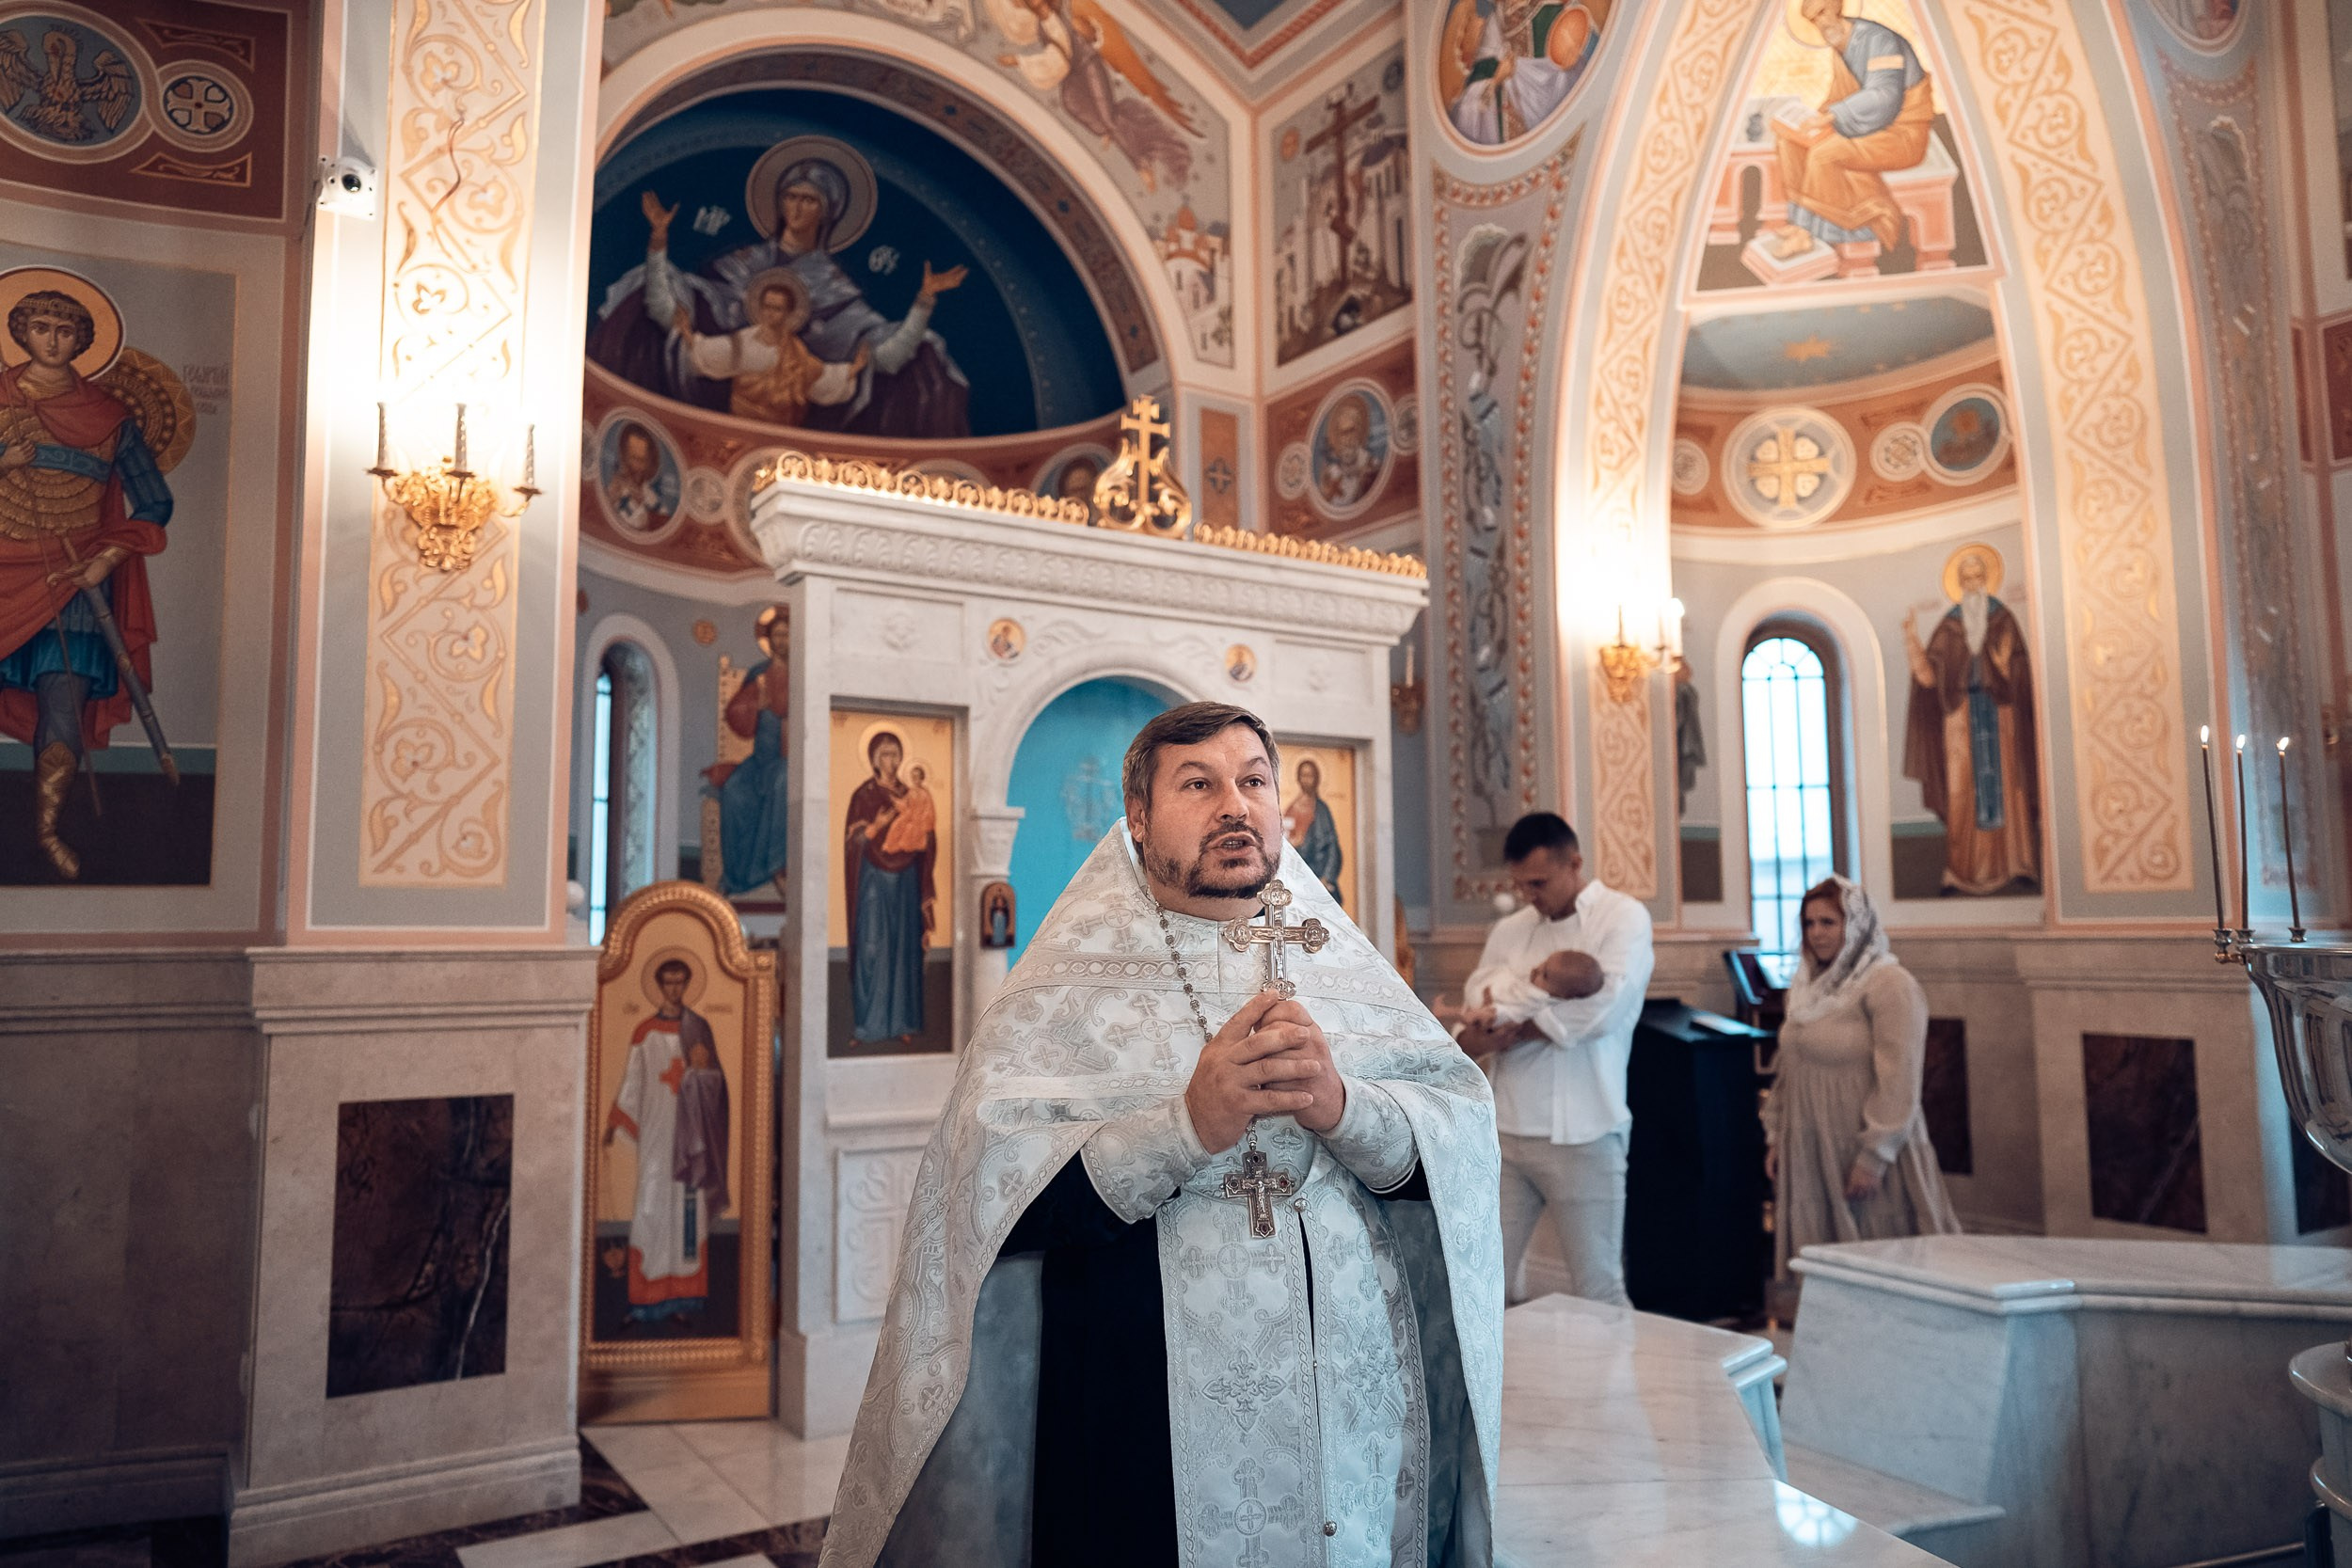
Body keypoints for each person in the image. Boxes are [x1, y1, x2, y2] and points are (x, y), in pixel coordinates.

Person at [821, 702, 1502, 1568]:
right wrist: (1183, 1128)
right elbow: (987, 1202)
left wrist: (1342, 1106)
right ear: (1138, 817)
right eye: (1198, 784)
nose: (1236, 804)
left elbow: (1458, 1145)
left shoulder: (1342, 964)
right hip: (1137, 1399)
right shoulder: (1064, 985)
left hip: (1349, 1393)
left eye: (1253, 781)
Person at [587, 148, 970, 438]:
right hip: (719, 426)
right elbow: (668, 314)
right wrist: (658, 243)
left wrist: (923, 303)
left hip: (792, 439)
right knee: (649, 280)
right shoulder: (738, 266)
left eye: (809, 200)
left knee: (929, 348)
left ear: (827, 211)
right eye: (791, 197)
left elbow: (883, 359)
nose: (797, 208)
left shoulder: (835, 290)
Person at [0, 288, 173, 880]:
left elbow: (154, 502)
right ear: (21, 333)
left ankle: (48, 830)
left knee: (62, 706)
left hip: (74, 578)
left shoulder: (111, 418)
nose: (52, 340)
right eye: (41, 327)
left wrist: (105, 562)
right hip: (2, 571)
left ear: (81, 340)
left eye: (65, 330)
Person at [1452, 811, 1653, 1307]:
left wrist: (1512, 1020)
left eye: (1538, 883)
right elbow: (1475, 1007)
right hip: (1506, 1129)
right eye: (1520, 884)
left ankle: (1614, 1364)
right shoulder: (1510, 929)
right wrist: (1512, 1015)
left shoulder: (1622, 918)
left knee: (1599, 1286)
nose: (1529, 896)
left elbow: (1601, 1011)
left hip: (1586, 1131)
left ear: (1575, 864)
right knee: (1484, 1285)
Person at [1765, 876, 1959, 1279]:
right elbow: (1788, 1067)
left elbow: (1900, 1076)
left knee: (1885, 1265)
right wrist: (1777, 1136)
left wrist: (1874, 1155)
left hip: (1862, 1145)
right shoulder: (1806, 988)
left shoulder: (1890, 983)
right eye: (1809, 923)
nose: (1816, 933)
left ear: (1855, 925)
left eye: (1828, 922)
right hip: (1812, 1144)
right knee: (1827, 1271)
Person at [1903, 543, 2040, 894]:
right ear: (1960, 583)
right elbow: (1929, 678)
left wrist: (2004, 667)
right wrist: (1911, 640)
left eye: (1979, 576)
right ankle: (1960, 871)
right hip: (1960, 717)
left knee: (2010, 786)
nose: (1973, 583)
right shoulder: (1949, 625)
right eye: (1966, 578)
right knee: (1961, 789)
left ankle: (2018, 863)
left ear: (1987, 579)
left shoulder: (2003, 619)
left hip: (2002, 714)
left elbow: (2022, 671)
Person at [1764, 0, 1933, 261]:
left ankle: (1817, 231)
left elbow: (1885, 96)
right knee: (1790, 142)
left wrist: (1833, 115)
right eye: (1813, 20)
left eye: (1822, 13)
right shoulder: (1840, 45)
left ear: (1836, 6)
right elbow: (1839, 94)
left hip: (1901, 133)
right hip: (1863, 127)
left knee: (1824, 154)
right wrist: (1813, 119)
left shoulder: (1878, 39)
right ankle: (1799, 222)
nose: (1820, 23)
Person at [604, 958, 723, 1324]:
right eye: (668, 982)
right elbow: (633, 1082)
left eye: (680, 982)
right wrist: (615, 1121)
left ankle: (684, 1298)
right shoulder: (645, 1032)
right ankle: (645, 1299)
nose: (674, 989)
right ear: (659, 985)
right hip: (657, 1135)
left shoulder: (698, 1029)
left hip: (691, 1140)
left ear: (686, 984)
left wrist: (701, 1073)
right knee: (651, 1205)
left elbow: (717, 1086)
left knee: (687, 1212)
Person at [674, 270, 869, 428]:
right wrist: (688, 335)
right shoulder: (743, 342)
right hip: (741, 426)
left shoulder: (795, 352)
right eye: (767, 307)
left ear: (789, 313)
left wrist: (853, 369)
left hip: (781, 432)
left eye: (777, 309)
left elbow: (817, 377)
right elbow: (711, 353)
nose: (770, 313)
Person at [842, 730, 935, 1045]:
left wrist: (925, 834)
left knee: (903, 947)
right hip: (872, 879)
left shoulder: (912, 794)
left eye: (895, 754)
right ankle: (867, 1026)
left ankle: (903, 1022)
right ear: (873, 759)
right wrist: (877, 827)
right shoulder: (864, 795)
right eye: (884, 754)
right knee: (872, 945)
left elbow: (927, 836)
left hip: (906, 879)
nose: (891, 761)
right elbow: (853, 843)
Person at [707, 607, 789, 900]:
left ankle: (778, 867)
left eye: (787, 634)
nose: (782, 640)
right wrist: (758, 704)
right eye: (777, 634)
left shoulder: (804, 674)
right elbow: (736, 715)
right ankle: (736, 876)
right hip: (761, 760)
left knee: (783, 782)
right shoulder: (759, 674)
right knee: (733, 790)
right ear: (769, 639)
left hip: (790, 760)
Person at [1441, 948, 1603, 1034]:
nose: (1537, 969)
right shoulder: (1538, 985)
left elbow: (1515, 1013)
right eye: (1544, 963)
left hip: (1494, 1009)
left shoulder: (1538, 999)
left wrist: (1495, 1012)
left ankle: (1445, 1012)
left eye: (1545, 975)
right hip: (1489, 992)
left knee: (1474, 1015)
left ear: (1562, 994)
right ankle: (1447, 1012)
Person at [1281, 754, 1343, 903]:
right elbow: (1284, 842)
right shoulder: (1291, 808)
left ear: (1317, 779)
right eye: (1303, 775)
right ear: (1298, 778)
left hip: (1319, 876)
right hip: (1298, 877)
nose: (1306, 780)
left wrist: (1327, 877)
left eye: (1310, 776)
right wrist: (1292, 845)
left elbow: (1332, 846)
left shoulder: (1321, 809)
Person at [603, 422, 673, 534]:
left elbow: (661, 524)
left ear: (649, 463)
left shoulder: (651, 498)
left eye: (640, 460)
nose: (634, 466)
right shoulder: (614, 490)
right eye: (631, 457)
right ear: (623, 455)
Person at [878, 761, 936, 857]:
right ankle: (889, 848)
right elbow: (905, 804)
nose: (915, 779)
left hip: (919, 820)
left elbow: (929, 811)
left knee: (909, 829)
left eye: (917, 777)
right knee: (896, 825)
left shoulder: (925, 794)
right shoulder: (911, 792)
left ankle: (905, 848)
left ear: (922, 778)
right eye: (913, 777)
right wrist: (894, 800)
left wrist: (924, 823)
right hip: (908, 815)